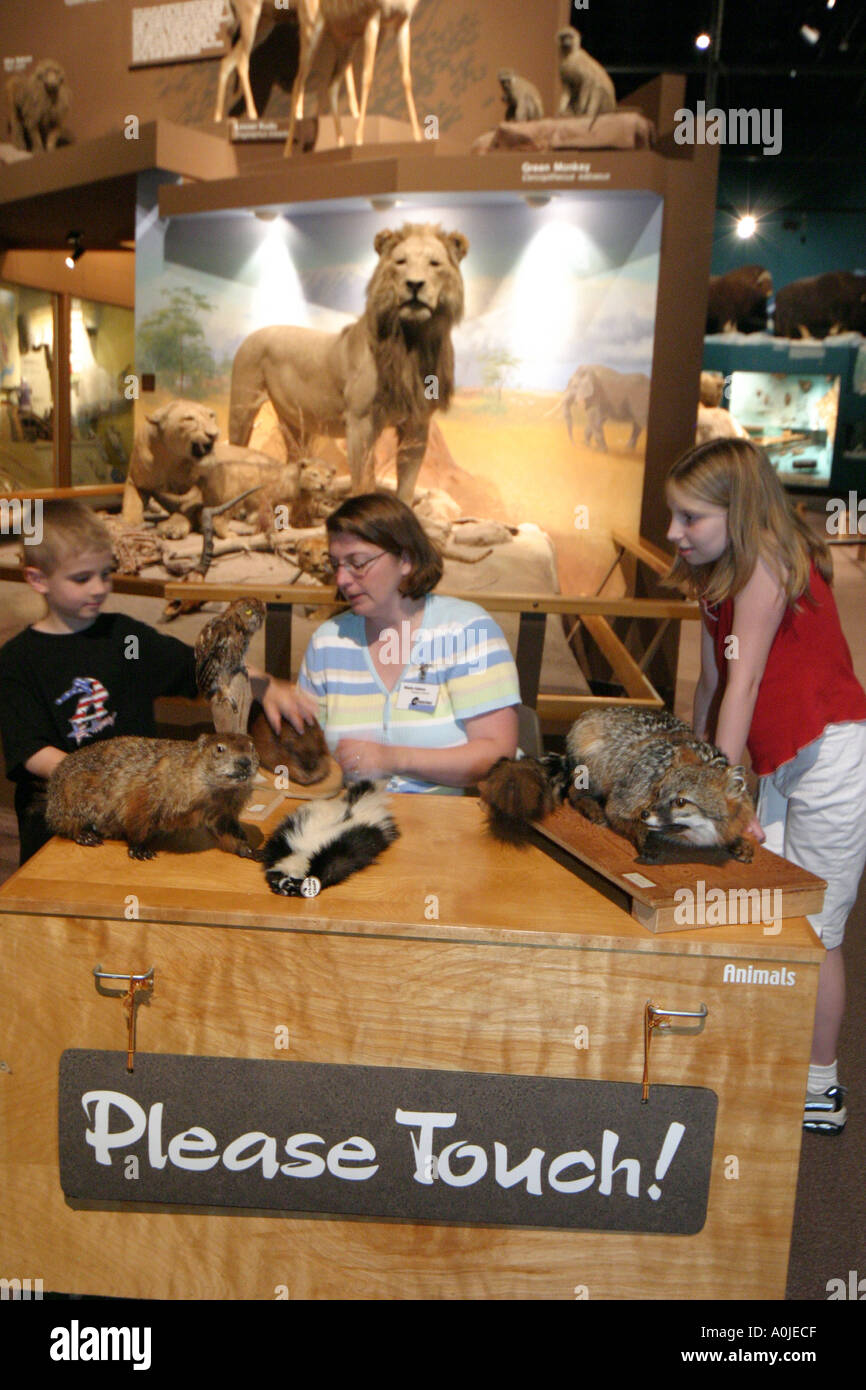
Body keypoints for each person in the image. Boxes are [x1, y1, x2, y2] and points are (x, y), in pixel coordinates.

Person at [665, 437, 866, 1134]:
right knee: (762, 908)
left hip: (831, 756)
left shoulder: (767, 565)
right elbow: (714, 684)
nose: (674, 532)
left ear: (737, 509)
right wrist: (693, 765)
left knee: (816, 928)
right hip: (779, 759)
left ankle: (820, 1085)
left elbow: (746, 683)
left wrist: (723, 794)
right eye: (673, 516)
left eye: (690, 517)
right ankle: (766, 1056)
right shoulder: (718, 573)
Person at [0, 499, 299, 865]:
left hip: (142, 820)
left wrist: (265, 684)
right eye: (82, 578)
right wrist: (105, 783)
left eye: (105, 574)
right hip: (65, 824)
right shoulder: (18, 660)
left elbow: (201, 667)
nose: (98, 588)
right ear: (37, 579)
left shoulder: (126, 639)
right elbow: (29, 751)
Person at [296, 492, 520, 793]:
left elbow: (497, 755)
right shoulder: (327, 642)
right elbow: (308, 756)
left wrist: (392, 758)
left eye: (358, 563)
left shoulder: (468, 631)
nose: (342, 580)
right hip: (354, 824)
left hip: (455, 825)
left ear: (405, 559)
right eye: (336, 564)